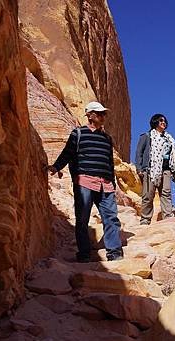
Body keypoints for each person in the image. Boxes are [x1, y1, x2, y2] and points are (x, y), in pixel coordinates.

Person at [47, 101, 124, 262]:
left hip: (106, 184)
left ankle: (114, 252)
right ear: (89, 115)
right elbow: (67, 153)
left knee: (111, 218)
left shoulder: (107, 139)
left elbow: (109, 162)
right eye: (100, 113)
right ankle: (84, 254)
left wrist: (113, 183)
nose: (103, 116)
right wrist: (56, 167)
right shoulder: (78, 133)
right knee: (82, 218)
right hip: (84, 182)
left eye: (104, 113)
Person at [135, 114, 175, 225]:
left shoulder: (169, 139)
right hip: (151, 169)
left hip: (166, 170)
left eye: (164, 121)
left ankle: (168, 218)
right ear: (155, 122)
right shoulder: (146, 136)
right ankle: (145, 220)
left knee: (166, 194)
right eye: (161, 120)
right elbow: (139, 153)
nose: (163, 122)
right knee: (148, 195)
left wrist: (173, 170)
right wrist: (139, 168)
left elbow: (173, 155)